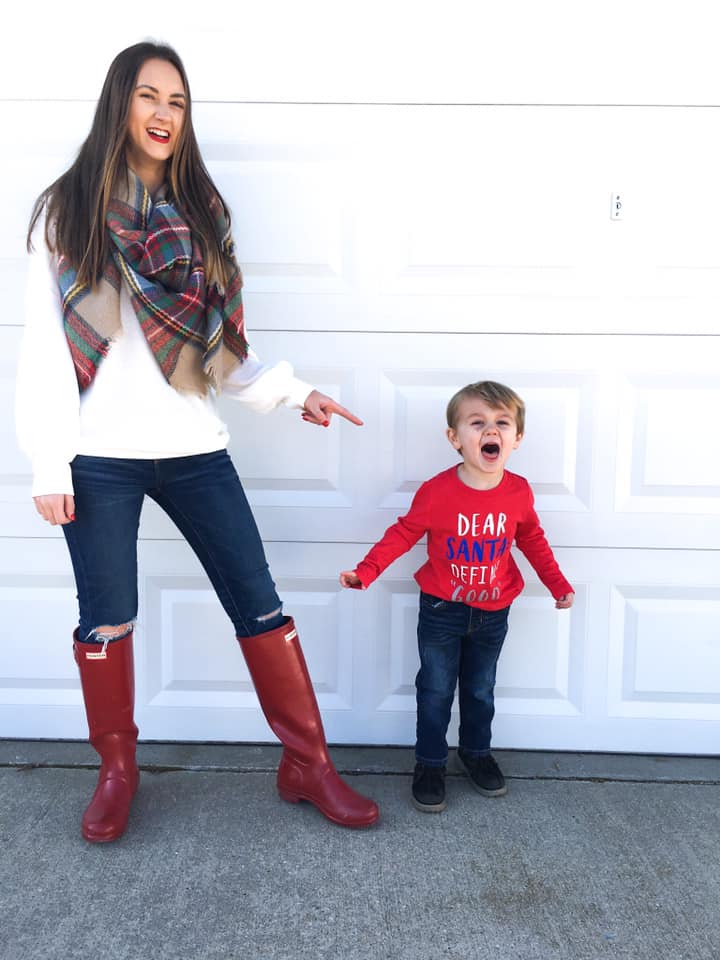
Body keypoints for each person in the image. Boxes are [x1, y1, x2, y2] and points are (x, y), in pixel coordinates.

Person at [15, 41, 379, 842]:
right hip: (98, 455)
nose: (163, 114)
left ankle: (307, 764)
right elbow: (43, 349)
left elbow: (216, 350)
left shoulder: (202, 212)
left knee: (260, 604)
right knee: (105, 618)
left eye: (177, 102)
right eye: (149, 96)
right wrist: (49, 462)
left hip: (192, 446)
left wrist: (292, 392)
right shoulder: (66, 213)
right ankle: (117, 772)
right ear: (121, 104)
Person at [340, 380, 574, 813]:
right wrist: (367, 571)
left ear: (516, 438)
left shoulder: (519, 492)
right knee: (435, 690)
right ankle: (430, 763)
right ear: (455, 438)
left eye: (502, 423)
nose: (491, 430)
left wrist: (557, 584)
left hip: (494, 611)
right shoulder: (436, 492)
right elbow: (403, 533)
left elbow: (533, 541)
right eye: (477, 422)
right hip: (442, 610)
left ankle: (475, 753)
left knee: (480, 689)